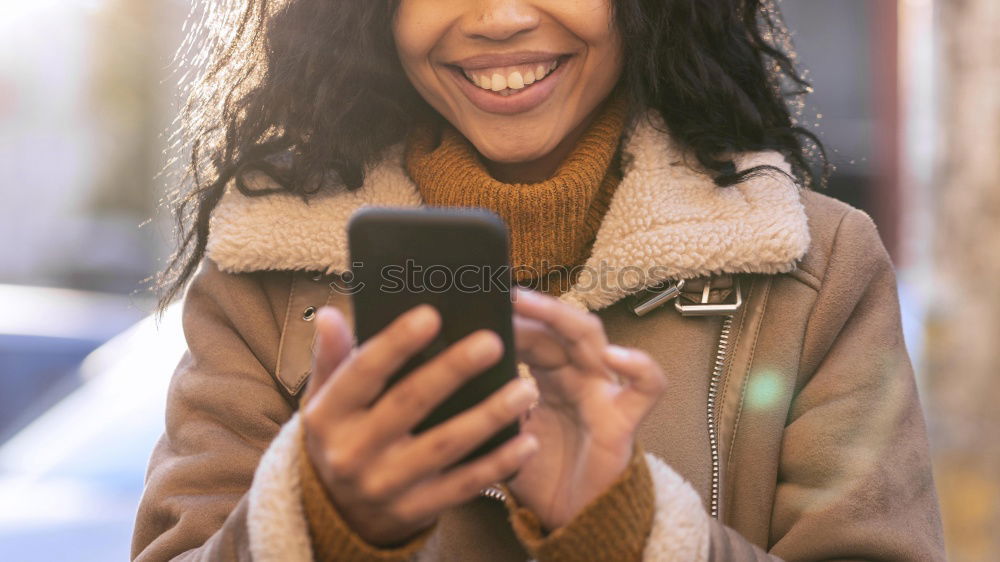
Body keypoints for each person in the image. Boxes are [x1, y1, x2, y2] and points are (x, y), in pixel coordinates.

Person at [132, 0, 945, 560]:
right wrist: (319, 521)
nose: (499, 19)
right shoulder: (261, 273)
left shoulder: (816, 266)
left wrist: (627, 527)